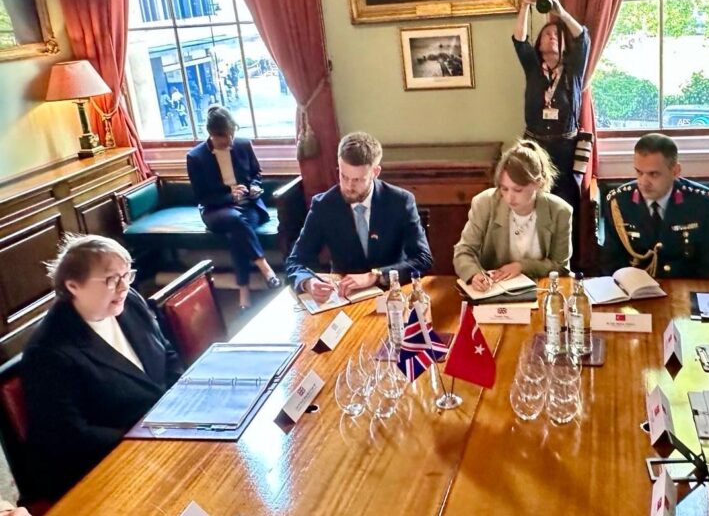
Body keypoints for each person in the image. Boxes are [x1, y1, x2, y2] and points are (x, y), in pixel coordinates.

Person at [22, 235, 184, 499]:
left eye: (127, 275)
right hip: (107, 465)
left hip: (164, 433)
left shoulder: (129, 301)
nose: (123, 287)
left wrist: (183, 401)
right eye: (111, 280)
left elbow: (166, 352)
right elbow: (70, 435)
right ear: (73, 285)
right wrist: (147, 436)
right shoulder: (49, 352)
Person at [286, 131, 433, 303]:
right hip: (344, 297)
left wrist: (375, 276)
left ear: (375, 172)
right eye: (343, 176)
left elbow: (423, 259)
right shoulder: (324, 205)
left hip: (392, 295)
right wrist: (308, 282)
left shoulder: (400, 201)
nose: (348, 186)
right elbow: (296, 260)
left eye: (357, 180)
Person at [186, 106, 280, 309]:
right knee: (236, 221)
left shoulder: (243, 145)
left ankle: (243, 290)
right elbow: (201, 196)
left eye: (232, 134)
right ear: (211, 134)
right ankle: (265, 268)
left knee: (237, 233)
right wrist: (230, 195)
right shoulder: (196, 157)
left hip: (248, 206)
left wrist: (255, 186)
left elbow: (256, 173)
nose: (229, 141)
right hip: (216, 210)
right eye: (224, 137)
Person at [512, 0, 590, 218]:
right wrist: (525, 6)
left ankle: (566, 243)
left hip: (565, 149)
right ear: (539, 44)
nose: (552, 37)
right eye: (547, 34)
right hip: (534, 146)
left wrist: (560, 12)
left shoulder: (573, 70)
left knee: (564, 205)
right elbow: (519, 41)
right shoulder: (533, 67)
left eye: (557, 35)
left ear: (565, 45)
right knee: (534, 203)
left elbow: (583, 38)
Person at [602, 133, 709, 279]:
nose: (643, 182)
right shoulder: (619, 202)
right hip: (635, 288)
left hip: (685, 286)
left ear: (675, 171)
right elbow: (610, 263)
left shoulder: (702, 203)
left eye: (653, 174)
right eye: (639, 172)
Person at [454, 140, 572, 290]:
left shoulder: (560, 211)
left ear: (538, 183)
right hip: (493, 289)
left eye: (518, 190)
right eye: (504, 189)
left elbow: (560, 266)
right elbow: (463, 251)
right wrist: (475, 274)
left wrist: (522, 266)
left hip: (540, 289)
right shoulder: (484, 203)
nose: (509, 198)